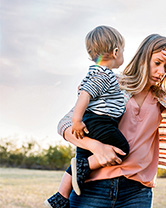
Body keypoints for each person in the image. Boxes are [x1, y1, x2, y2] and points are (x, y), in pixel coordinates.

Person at [49, 33, 166, 208]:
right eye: (157, 63)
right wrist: (96, 147)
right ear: (143, 58)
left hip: (136, 193)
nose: (161, 72)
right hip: (93, 186)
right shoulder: (112, 83)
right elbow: (65, 125)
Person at [45, 25, 129, 208]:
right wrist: (76, 121)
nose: (124, 54)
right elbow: (84, 94)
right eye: (123, 50)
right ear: (116, 52)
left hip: (94, 122)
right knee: (122, 148)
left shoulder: (96, 73)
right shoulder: (103, 75)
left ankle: (60, 197)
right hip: (101, 121)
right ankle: (82, 168)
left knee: (82, 159)